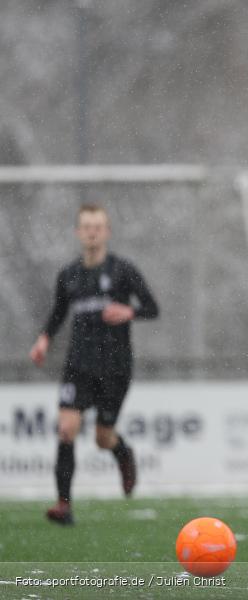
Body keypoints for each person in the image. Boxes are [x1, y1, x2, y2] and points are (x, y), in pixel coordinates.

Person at [29, 204, 159, 525]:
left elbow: (152, 308)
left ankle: (122, 452)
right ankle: (64, 505)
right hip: (79, 364)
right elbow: (59, 313)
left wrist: (130, 312)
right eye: (86, 226)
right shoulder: (69, 274)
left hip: (115, 367)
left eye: (98, 226)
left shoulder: (123, 271)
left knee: (103, 438)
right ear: (78, 232)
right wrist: (44, 338)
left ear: (107, 232)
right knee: (66, 430)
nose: (92, 232)